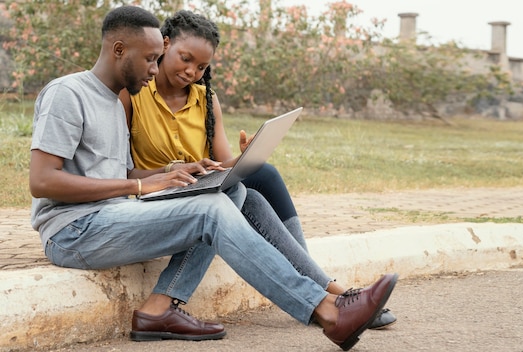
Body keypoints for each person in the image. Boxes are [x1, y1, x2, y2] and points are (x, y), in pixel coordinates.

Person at [29, 5, 397, 351]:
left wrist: (168, 173)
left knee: (229, 192)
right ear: (119, 49)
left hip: (108, 218)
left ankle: (159, 308)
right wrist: (140, 186)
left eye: (158, 59)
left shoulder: (112, 101)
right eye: (151, 59)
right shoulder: (68, 93)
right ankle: (328, 311)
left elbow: (121, 172)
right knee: (212, 210)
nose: (156, 70)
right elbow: (43, 182)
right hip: (72, 232)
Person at [119, 10, 397, 329]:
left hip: (196, 189)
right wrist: (173, 169)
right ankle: (332, 294)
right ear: (164, 45)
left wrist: (246, 156)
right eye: (185, 59)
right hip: (156, 195)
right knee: (243, 194)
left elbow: (223, 165)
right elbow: (124, 170)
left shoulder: (206, 100)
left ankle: (328, 295)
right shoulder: (135, 92)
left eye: (201, 66)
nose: (191, 71)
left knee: (259, 177)